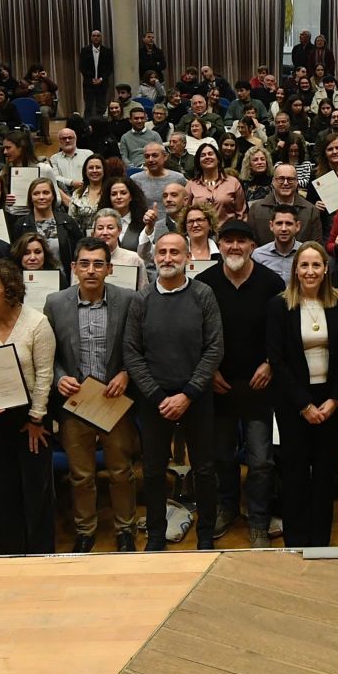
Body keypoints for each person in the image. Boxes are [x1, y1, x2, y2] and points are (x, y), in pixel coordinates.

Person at [125, 231, 224, 550]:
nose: (168, 258)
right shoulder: (141, 299)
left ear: (187, 258)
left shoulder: (203, 294)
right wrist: (158, 396)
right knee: (153, 471)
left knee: (205, 470)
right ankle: (156, 534)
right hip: (155, 400)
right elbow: (131, 352)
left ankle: (206, 534)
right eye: (162, 252)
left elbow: (214, 348)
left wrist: (188, 394)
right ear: (154, 257)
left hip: (196, 397)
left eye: (175, 253)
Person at [46, 238, 141, 553]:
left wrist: (127, 373)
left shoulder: (128, 300)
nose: (91, 270)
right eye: (84, 264)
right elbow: (49, 353)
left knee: (121, 472)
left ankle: (125, 529)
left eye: (98, 264)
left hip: (114, 401)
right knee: (81, 474)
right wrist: (59, 378)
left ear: (110, 268)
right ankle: (85, 530)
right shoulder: (55, 303)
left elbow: (138, 347)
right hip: (75, 403)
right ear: (73, 268)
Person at [0, 259, 57, 555]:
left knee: (35, 490)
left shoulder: (37, 323)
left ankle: (40, 554)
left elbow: (44, 375)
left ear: (11, 289)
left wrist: (36, 418)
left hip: (31, 419)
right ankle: (7, 555)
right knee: (0, 492)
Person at [267, 241, 338, 548]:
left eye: (317, 265)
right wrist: (304, 404)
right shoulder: (279, 305)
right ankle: (296, 541)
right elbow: (277, 360)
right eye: (304, 265)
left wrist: (334, 400)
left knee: (326, 475)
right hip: (293, 403)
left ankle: (320, 543)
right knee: (294, 476)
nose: (310, 271)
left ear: (326, 269)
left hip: (330, 401)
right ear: (295, 270)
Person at [206, 220, 284, 547]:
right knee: (221, 456)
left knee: (261, 460)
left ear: (253, 246)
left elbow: (284, 334)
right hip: (219, 385)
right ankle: (227, 507)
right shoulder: (204, 283)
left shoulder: (271, 283)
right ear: (219, 246)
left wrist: (270, 364)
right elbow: (195, 334)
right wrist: (208, 371)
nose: (234, 247)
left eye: (242, 241)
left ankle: (258, 518)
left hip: (260, 387)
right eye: (228, 241)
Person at [79, 30, 113, 118]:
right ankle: (87, 126)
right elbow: (82, 67)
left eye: (98, 36)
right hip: (89, 83)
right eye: (94, 36)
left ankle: (101, 126)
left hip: (102, 84)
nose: (96, 37)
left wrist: (101, 79)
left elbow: (109, 68)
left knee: (101, 106)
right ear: (91, 38)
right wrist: (91, 79)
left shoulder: (107, 51)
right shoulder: (84, 50)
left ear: (101, 38)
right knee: (88, 106)